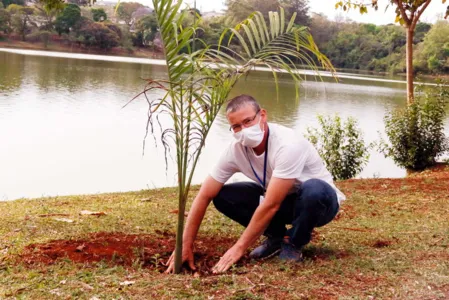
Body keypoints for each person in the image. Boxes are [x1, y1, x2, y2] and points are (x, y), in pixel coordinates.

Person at [165, 94, 345, 274]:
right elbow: (204, 195)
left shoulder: (288, 144)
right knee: (223, 196)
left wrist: (239, 247)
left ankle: (294, 243)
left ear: (263, 116)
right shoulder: (235, 150)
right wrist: (185, 244)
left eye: (248, 121)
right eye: (236, 126)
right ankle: (276, 237)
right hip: (284, 202)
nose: (243, 129)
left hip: (321, 204)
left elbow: (271, 205)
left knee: (314, 189)